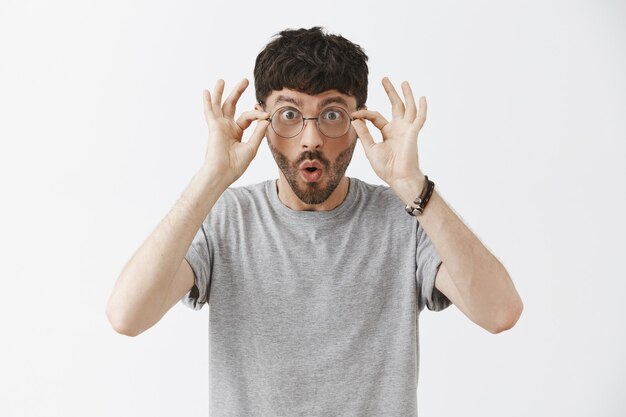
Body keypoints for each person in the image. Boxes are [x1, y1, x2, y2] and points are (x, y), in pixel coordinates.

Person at [106, 26, 523, 416]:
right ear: (260, 123)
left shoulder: (407, 218)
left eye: (332, 115)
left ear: (360, 121)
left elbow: (500, 312)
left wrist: (413, 185)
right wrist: (209, 181)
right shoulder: (226, 219)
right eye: (289, 115)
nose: (311, 139)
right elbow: (127, 316)